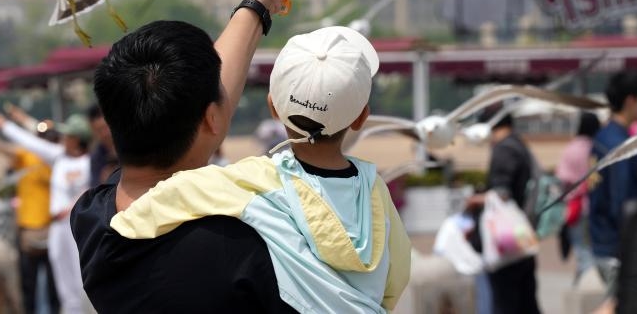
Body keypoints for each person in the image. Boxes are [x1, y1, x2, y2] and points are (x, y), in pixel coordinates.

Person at [108, 25, 412, 312]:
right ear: (361, 119)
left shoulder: (248, 181)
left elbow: (147, 211)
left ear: (273, 108)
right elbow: (396, 278)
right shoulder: (375, 188)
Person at [69, 0, 306, 313]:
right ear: (211, 118)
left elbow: (205, 99)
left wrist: (259, 0)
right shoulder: (238, 246)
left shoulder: (93, 218)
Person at [0, 109, 93, 313]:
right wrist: (4, 125)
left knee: (79, 277)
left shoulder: (89, 162)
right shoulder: (58, 157)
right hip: (56, 226)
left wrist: (73, 205)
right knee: (63, 279)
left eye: (69, 136)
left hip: (74, 224)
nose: (64, 139)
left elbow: (89, 191)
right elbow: (30, 142)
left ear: (77, 139)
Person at [0, 117, 59, 314]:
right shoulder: (26, 156)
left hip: (54, 230)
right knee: (28, 286)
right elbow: (3, 148)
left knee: (55, 288)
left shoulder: (59, 161)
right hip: (28, 231)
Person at [467, 110, 541, 314]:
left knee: (506, 302)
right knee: (527, 302)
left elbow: (502, 193)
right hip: (522, 235)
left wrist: (475, 200)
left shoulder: (503, 150)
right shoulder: (520, 145)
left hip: (506, 242)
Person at [589, 71, 637, 297]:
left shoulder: (602, 138)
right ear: (630, 101)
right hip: (621, 249)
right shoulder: (621, 146)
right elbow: (622, 203)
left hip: (603, 243)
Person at [555, 111, 601, 282]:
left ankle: (586, 287)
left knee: (582, 250)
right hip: (596, 206)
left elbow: (562, 178)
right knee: (595, 250)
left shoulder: (571, 148)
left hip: (576, 205)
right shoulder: (597, 147)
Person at [86, 105, 117, 188]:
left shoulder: (129, 148)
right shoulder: (97, 156)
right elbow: (95, 186)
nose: (105, 134)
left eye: (106, 128)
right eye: (99, 130)